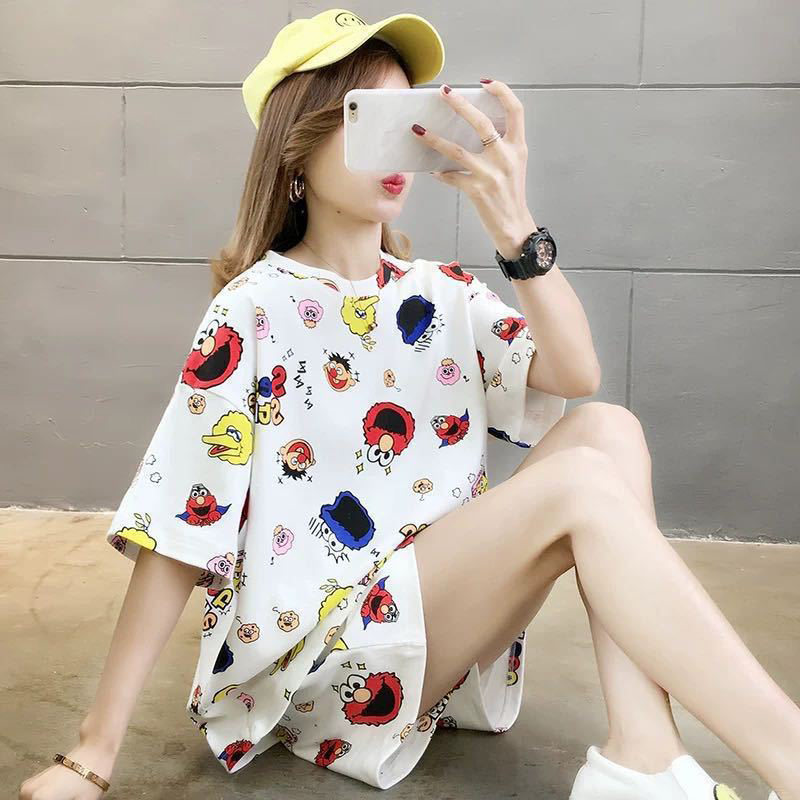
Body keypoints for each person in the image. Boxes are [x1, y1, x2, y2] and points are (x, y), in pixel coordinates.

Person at [18, 8, 799, 800]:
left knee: (609, 432)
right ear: (297, 146)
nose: (399, 146)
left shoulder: (439, 294)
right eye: (367, 117)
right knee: (581, 485)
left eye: (410, 116)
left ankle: (643, 751)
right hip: (328, 666)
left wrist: (515, 227)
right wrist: (93, 754)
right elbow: (181, 526)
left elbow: (577, 373)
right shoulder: (252, 311)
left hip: (436, 628)